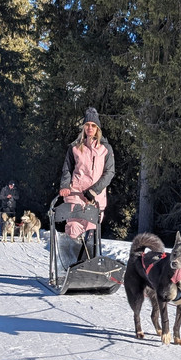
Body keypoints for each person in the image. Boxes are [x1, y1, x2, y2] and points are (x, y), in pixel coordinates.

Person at [57, 107, 115, 267]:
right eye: (87, 124)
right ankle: (70, 267)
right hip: (75, 195)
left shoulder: (105, 149)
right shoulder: (74, 147)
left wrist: (93, 191)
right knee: (73, 229)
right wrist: (64, 186)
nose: (90, 128)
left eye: (93, 125)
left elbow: (109, 172)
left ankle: (88, 268)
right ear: (83, 127)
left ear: (98, 129)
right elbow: (67, 169)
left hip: (95, 198)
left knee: (90, 232)